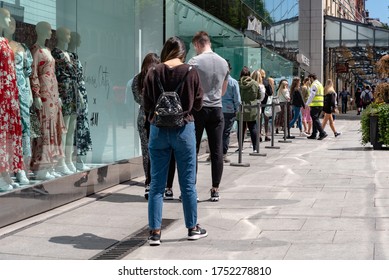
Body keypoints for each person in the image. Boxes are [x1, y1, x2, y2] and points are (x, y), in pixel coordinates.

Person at [143, 36, 206, 245]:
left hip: (158, 130)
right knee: (188, 183)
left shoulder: (153, 72)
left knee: (157, 185)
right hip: (184, 129)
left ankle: (155, 232)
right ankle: (193, 227)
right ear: (182, 53)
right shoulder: (190, 72)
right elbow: (198, 104)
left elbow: (146, 104)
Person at [188, 31, 229, 202]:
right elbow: (223, 90)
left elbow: (188, 88)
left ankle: (191, 189)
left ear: (198, 44)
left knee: (193, 150)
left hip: (199, 109)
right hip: (216, 109)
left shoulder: (194, 62)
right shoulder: (224, 63)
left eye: (195, 47)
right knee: (217, 150)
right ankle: (215, 189)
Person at [30, 21, 66, 180]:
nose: (50, 32)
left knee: (53, 129)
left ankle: (50, 163)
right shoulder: (35, 50)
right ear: (40, 30)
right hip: (44, 94)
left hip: (53, 93)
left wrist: (57, 95)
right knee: (44, 128)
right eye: (47, 29)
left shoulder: (48, 50)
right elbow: (33, 73)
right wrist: (36, 94)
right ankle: (41, 166)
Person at [3, 16, 32, 185]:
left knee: (23, 129)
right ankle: (7, 169)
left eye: (14, 22)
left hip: (21, 91)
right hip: (6, 91)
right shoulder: (2, 45)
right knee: (8, 131)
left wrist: (30, 94)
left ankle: (20, 168)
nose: (12, 24)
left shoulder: (22, 47)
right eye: (9, 21)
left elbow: (27, 73)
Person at [0, 8, 25, 191]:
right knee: (2, 135)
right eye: (6, 18)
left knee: (8, 134)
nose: (10, 22)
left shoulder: (6, 43)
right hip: (2, 93)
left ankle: (6, 173)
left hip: (10, 93)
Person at [131, 53, 160, 199]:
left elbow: (136, 97)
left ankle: (149, 180)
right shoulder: (155, 77)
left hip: (144, 115)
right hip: (153, 117)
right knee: (153, 151)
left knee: (147, 151)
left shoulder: (138, 78)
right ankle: (152, 180)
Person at [52, 27, 80, 175]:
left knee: (71, 130)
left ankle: (69, 160)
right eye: (68, 34)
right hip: (64, 92)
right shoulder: (55, 53)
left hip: (74, 92)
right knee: (63, 130)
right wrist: (57, 95)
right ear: (61, 35)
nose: (69, 37)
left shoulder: (70, 54)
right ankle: (61, 161)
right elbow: (53, 75)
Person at [68, 31, 92, 171]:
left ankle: (80, 159)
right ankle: (75, 159)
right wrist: (79, 94)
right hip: (76, 95)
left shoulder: (75, 56)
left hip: (80, 93)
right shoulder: (71, 57)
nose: (81, 41)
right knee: (77, 127)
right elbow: (75, 78)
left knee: (82, 126)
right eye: (79, 39)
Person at [237, 66, 261, 152]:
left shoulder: (238, 83)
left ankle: (240, 147)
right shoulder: (255, 84)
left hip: (241, 107)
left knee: (241, 129)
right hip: (252, 108)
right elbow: (259, 96)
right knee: (253, 128)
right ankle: (255, 147)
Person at [221, 60, 241, 162]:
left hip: (217, 108)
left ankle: (212, 154)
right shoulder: (233, 82)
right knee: (226, 133)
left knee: (215, 133)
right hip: (229, 110)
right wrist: (238, 110)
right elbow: (237, 99)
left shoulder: (217, 80)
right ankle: (223, 154)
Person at [306, 73, 327, 140]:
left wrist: (307, 104)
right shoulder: (319, 84)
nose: (309, 81)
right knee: (315, 119)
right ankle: (314, 134)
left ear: (312, 78)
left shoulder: (314, 85)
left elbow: (312, 95)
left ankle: (322, 132)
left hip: (315, 105)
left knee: (315, 119)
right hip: (320, 104)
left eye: (309, 79)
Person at [259, 69, 273, 141]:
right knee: (266, 119)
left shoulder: (256, 82)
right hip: (265, 102)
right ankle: (266, 134)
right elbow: (270, 93)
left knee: (259, 119)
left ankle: (259, 135)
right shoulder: (266, 82)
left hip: (258, 103)